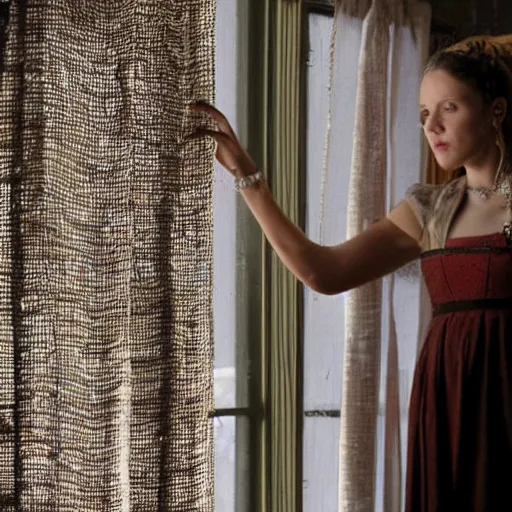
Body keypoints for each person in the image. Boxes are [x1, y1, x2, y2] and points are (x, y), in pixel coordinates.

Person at [191, 34, 512, 511]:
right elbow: (324, 271)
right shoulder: (429, 208)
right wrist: (248, 180)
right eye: (424, 114)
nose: (433, 126)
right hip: (446, 399)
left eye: (448, 108)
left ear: (495, 110)